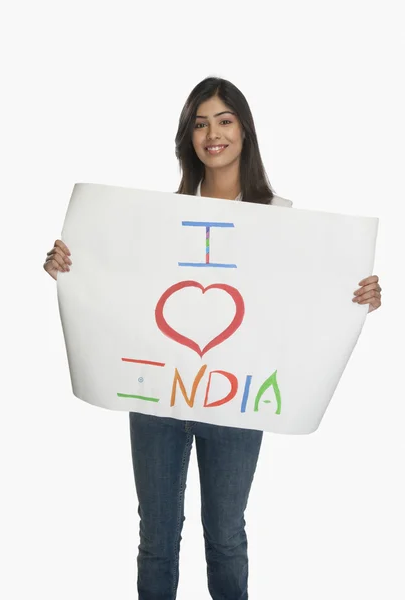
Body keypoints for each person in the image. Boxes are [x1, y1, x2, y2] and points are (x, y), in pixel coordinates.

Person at [43, 77, 382, 600]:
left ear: (244, 130)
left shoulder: (283, 221)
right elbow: (116, 280)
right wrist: (70, 264)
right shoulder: (156, 222)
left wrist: (354, 295)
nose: (212, 133)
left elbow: (302, 300)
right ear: (189, 137)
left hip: (235, 399)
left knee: (225, 539)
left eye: (224, 120)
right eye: (200, 123)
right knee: (156, 539)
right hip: (160, 394)